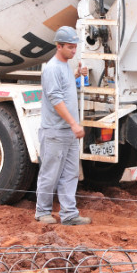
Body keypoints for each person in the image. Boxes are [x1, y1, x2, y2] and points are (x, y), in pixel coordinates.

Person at [35, 26, 91, 226]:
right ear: (58, 46)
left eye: (75, 47)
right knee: (50, 173)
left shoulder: (65, 66)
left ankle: (69, 214)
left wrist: (77, 74)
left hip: (67, 132)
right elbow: (56, 99)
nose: (73, 51)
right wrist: (74, 124)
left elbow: (64, 87)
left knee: (70, 173)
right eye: (70, 47)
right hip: (56, 131)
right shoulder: (51, 68)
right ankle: (42, 211)